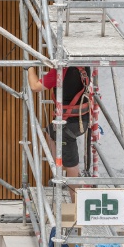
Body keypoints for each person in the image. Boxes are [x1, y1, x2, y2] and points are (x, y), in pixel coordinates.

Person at [28, 65, 92, 202]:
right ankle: (62, 166)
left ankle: (77, 204)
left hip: (68, 125)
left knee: (71, 166)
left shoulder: (59, 72)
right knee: (50, 132)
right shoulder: (84, 66)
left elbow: (34, 86)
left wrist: (30, 68)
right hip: (82, 119)